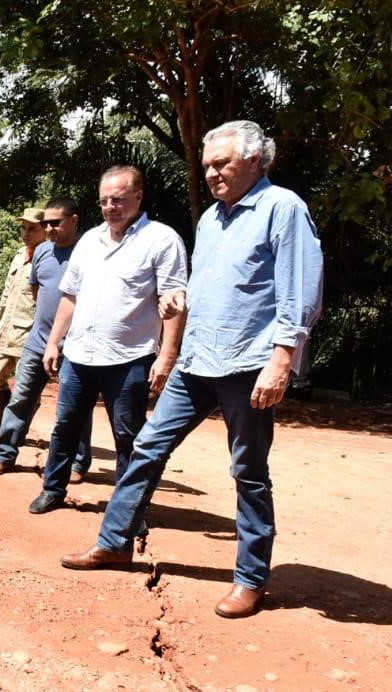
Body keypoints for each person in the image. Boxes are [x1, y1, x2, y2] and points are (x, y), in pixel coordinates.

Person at [60, 121, 324, 619]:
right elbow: (215, 284)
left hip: (249, 364)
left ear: (254, 160)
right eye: (206, 165)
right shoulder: (210, 221)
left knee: (248, 472)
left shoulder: (283, 209)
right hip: (197, 360)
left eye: (221, 163)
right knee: (145, 448)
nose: (211, 173)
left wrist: (283, 360)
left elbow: (300, 292)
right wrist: (183, 298)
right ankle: (115, 543)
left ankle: (250, 580)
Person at [28, 166, 188, 514]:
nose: (111, 207)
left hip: (130, 359)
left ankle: (128, 511)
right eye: (104, 201)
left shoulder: (161, 240)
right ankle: (52, 491)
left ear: (138, 197)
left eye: (118, 199)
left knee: (128, 437)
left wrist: (167, 356)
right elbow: (70, 296)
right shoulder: (89, 241)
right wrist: (55, 342)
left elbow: (175, 299)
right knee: (65, 428)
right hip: (79, 356)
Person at [0, 197, 93, 477]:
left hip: (75, 345)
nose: (50, 229)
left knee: (75, 407)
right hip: (38, 341)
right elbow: (37, 293)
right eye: (46, 224)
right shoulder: (43, 252)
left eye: (56, 223)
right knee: (21, 398)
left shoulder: (90, 252)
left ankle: (78, 463)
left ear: (74, 220)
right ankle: (4, 455)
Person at [0, 208, 47, 437]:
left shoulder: (48, 258)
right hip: (6, 327)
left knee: (25, 388)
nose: (26, 233)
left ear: (45, 230)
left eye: (32, 229)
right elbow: (7, 293)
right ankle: (6, 419)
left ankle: (11, 428)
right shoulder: (19, 255)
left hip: (29, 331)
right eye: (23, 228)